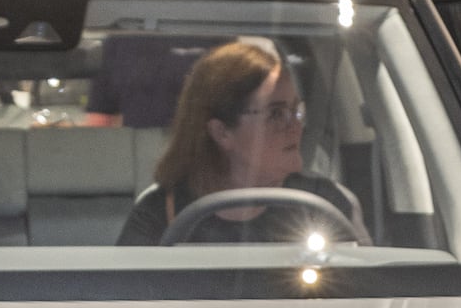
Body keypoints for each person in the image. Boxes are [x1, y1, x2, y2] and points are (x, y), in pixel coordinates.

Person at [116, 39, 362, 245]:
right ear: (222, 132)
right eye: (276, 114)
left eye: (296, 111)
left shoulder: (326, 205)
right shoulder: (160, 212)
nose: (296, 126)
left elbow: (364, 285)